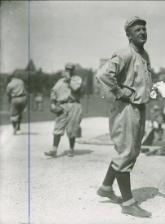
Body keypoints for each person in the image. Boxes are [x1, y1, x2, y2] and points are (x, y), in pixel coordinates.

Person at [96, 16, 154, 218]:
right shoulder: (124, 53)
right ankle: (128, 203)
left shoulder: (144, 54)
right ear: (128, 34)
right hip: (126, 108)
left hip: (138, 108)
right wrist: (120, 92)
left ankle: (105, 187)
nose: (142, 32)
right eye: (137, 29)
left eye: (144, 29)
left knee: (130, 151)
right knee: (126, 152)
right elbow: (103, 75)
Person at [44, 63, 83, 158]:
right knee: (58, 126)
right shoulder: (60, 81)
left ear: (73, 70)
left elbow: (76, 88)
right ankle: (54, 150)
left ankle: (71, 149)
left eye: (70, 69)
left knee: (72, 128)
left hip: (74, 104)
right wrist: (53, 104)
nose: (68, 71)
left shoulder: (77, 79)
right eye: (67, 69)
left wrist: (69, 78)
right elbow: (53, 91)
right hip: (62, 105)